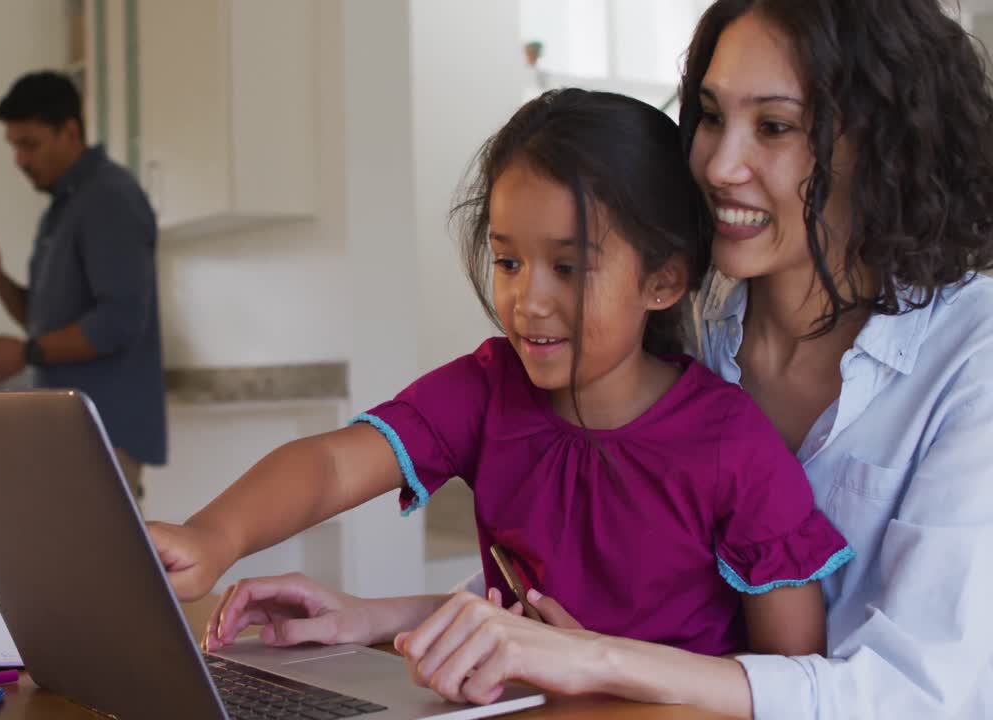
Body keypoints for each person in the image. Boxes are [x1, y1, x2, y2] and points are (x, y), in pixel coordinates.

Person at [267, 1, 993, 717]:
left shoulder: (973, 356)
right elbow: (623, 588)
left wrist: (600, 660)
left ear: (884, 147)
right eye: (710, 116)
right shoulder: (684, 322)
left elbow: (920, 694)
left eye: (772, 126)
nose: (717, 164)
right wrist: (393, 619)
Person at [150, 89, 853, 664]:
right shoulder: (489, 389)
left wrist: (613, 674)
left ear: (664, 280)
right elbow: (334, 465)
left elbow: (789, 677)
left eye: (569, 267)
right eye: (509, 261)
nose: (528, 300)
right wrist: (215, 538)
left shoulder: (732, 445)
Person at [0, 71, 166, 496]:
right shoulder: (65, 205)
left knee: (100, 562)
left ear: (70, 132)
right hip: (73, 432)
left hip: (104, 434)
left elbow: (118, 321)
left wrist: (27, 352)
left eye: (29, 144)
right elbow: (44, 322)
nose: (19, 159)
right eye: (14, 146)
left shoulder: (109, 198)